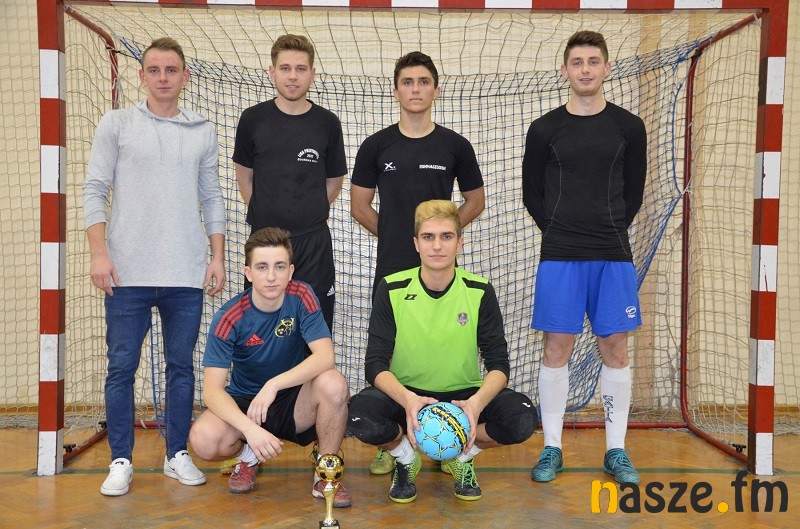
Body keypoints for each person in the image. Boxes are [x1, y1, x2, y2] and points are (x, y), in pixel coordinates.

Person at [83, 37, 226, 497]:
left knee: (180, 367)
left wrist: (217, 256)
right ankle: (120, 460)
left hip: (185, 274)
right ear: (141, 75)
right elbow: (94, 188)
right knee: (121, 368)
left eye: (172, 70)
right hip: (126, 275)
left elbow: (211, 196)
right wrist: (99, 253)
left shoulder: (202, 130)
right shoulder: (117, 124)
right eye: (155, 70)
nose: (163, 78)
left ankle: (176, 454)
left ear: (185, 77)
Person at [350, 51, 486, 474]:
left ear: (436, 90)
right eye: (407, 82)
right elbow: (359, 206)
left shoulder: (455, 146)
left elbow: (475, 201)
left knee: (440, 347)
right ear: (396, 90)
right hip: (392, 267)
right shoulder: (376, 145)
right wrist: (397, 236)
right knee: (391, 352)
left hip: (441, 271)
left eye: (423, 81)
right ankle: (391, 441)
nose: (415, 89)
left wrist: (440, 235)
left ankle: (449, 435)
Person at [521, 30, 647, 485]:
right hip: (560, 255)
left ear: (607, 68)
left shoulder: (629, 127)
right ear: (565, 71)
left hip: (613, 253)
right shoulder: (544, 129)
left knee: (616, 350)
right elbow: (532, 194)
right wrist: (560, 231)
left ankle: (616, 450)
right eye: (577, 62)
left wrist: (605, 228)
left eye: (594, 61)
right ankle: (552, 447)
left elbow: (633, 193)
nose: (586, 69)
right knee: (557, 349)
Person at [348, 200, 536, 503]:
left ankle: (462, 458)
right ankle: (406, 459)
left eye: (446, 236)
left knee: (522, 417)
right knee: (359, 415)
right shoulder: (392, 288)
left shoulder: (479, 290)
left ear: (460, 242)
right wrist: (408, 400)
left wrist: (475, 405)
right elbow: (375, 365)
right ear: (416, 244)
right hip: (409, 398)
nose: (437, 246)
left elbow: (499, 365)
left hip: (463, 398)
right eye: (428, 237)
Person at [189, 227, 351, 507]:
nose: (272, 276)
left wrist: (274, 384)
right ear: (248, 273)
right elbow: (212, 392)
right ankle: (248, 457)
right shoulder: (229, 317)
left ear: (291, 271)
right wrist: (249, 430)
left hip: (293, 399)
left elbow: (325, 357)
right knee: (203, 439)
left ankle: (325, 474)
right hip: (247, 404)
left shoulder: (302, 295)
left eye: (279, 266)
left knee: (334, 384)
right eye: (262, 267)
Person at [233, 34, 347, 333]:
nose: (293, 76)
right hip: (264, 244)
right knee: (259, 333)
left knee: (314, 332)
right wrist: (268, 215)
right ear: (272, 72)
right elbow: (244, 176)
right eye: (285, 68)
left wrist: (306, 210)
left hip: (313, 245)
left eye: (300, 68)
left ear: (312, 73)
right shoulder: (252, 119)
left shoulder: (327, 123)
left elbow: (333, 182)